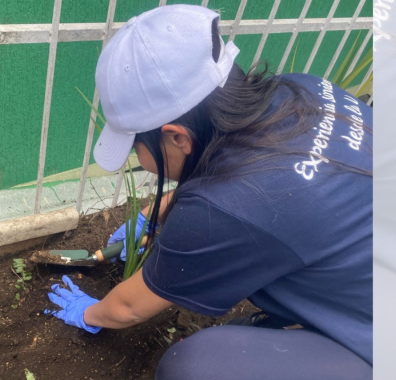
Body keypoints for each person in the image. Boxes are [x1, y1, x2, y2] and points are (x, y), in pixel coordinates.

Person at [44, 5, 373, 379]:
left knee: (195, 367)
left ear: (176, 137)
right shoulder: (300, 90)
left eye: (135, 144)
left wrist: (88, 313)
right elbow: (228, 179)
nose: (135, 155)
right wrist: (152, 219)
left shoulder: (234, 206)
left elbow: (130, 308)